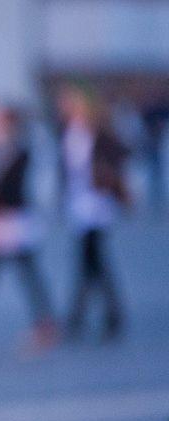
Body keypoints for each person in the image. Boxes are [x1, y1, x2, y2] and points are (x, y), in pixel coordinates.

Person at [0, 104, 57, 349]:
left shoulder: (20, 151)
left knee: (26, 272)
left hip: (14, 221)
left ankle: (45, 323)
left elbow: (16, 188)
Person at [57, 84, 130, 340]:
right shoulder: (67, 133)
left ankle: (89, 316)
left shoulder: (99, 132)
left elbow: (120, 154)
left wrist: (106, 175)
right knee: (91, 263)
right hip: (79, 204)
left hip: (97, 204)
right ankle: (98, 315)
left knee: (93, 261)